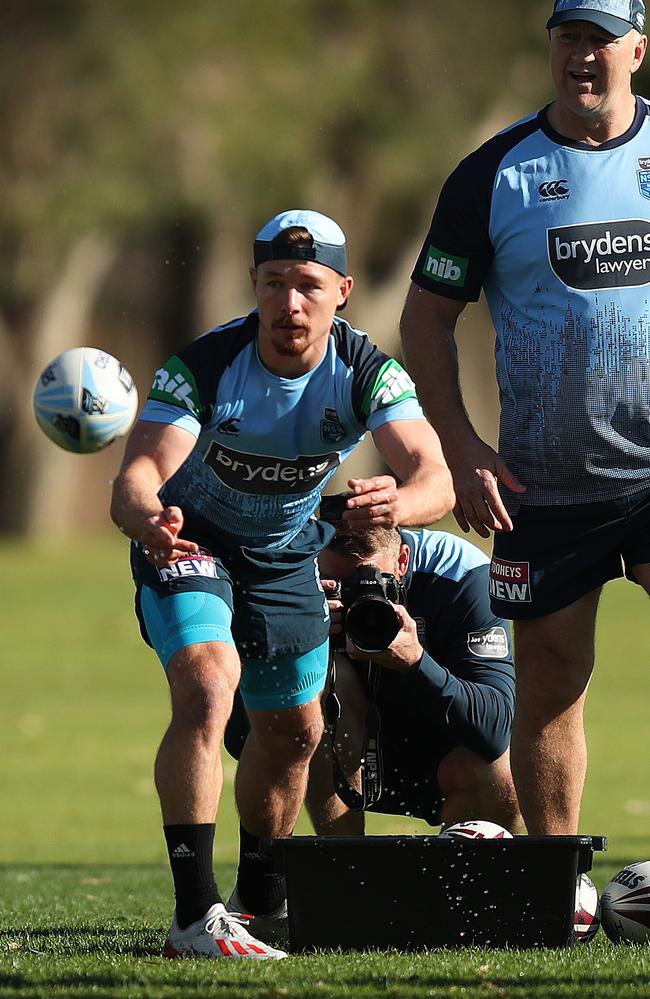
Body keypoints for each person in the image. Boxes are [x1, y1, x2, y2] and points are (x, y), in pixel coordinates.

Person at [110, 209, 453, 960]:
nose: (289, 303)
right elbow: (135, 476)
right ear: (254, 287)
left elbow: (435, 479)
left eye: (307, 285)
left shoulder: (367, 371)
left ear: (343, 292)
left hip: (285, 556)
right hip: (190, 542)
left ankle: (259, 899)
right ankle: (195, 915)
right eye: (274, 284)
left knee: (296, 733)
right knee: (207, 686)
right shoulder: (204, 365)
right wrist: (146, 517)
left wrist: (400, 500)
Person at [399, 0, 650, 837]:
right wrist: (461, 447)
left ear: (638, 50)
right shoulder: (493, 172)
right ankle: (559, 885)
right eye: (567, 38)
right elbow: (426, 318)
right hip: (540, 483)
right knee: (548, 681)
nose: (582, 57)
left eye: (600, 40)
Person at [224, 511, 521, 940]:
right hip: (336, 759)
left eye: (370, 582)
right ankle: (348, 888)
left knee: (500, 773)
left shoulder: (461, 573)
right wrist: (302, 643)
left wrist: (417, 663)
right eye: (337, 583)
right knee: (331, 683)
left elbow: (495, 729)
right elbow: (243, 738)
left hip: (437, 757)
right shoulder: (290, 576)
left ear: (403, 561)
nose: (355, 598)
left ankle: (469, 904)